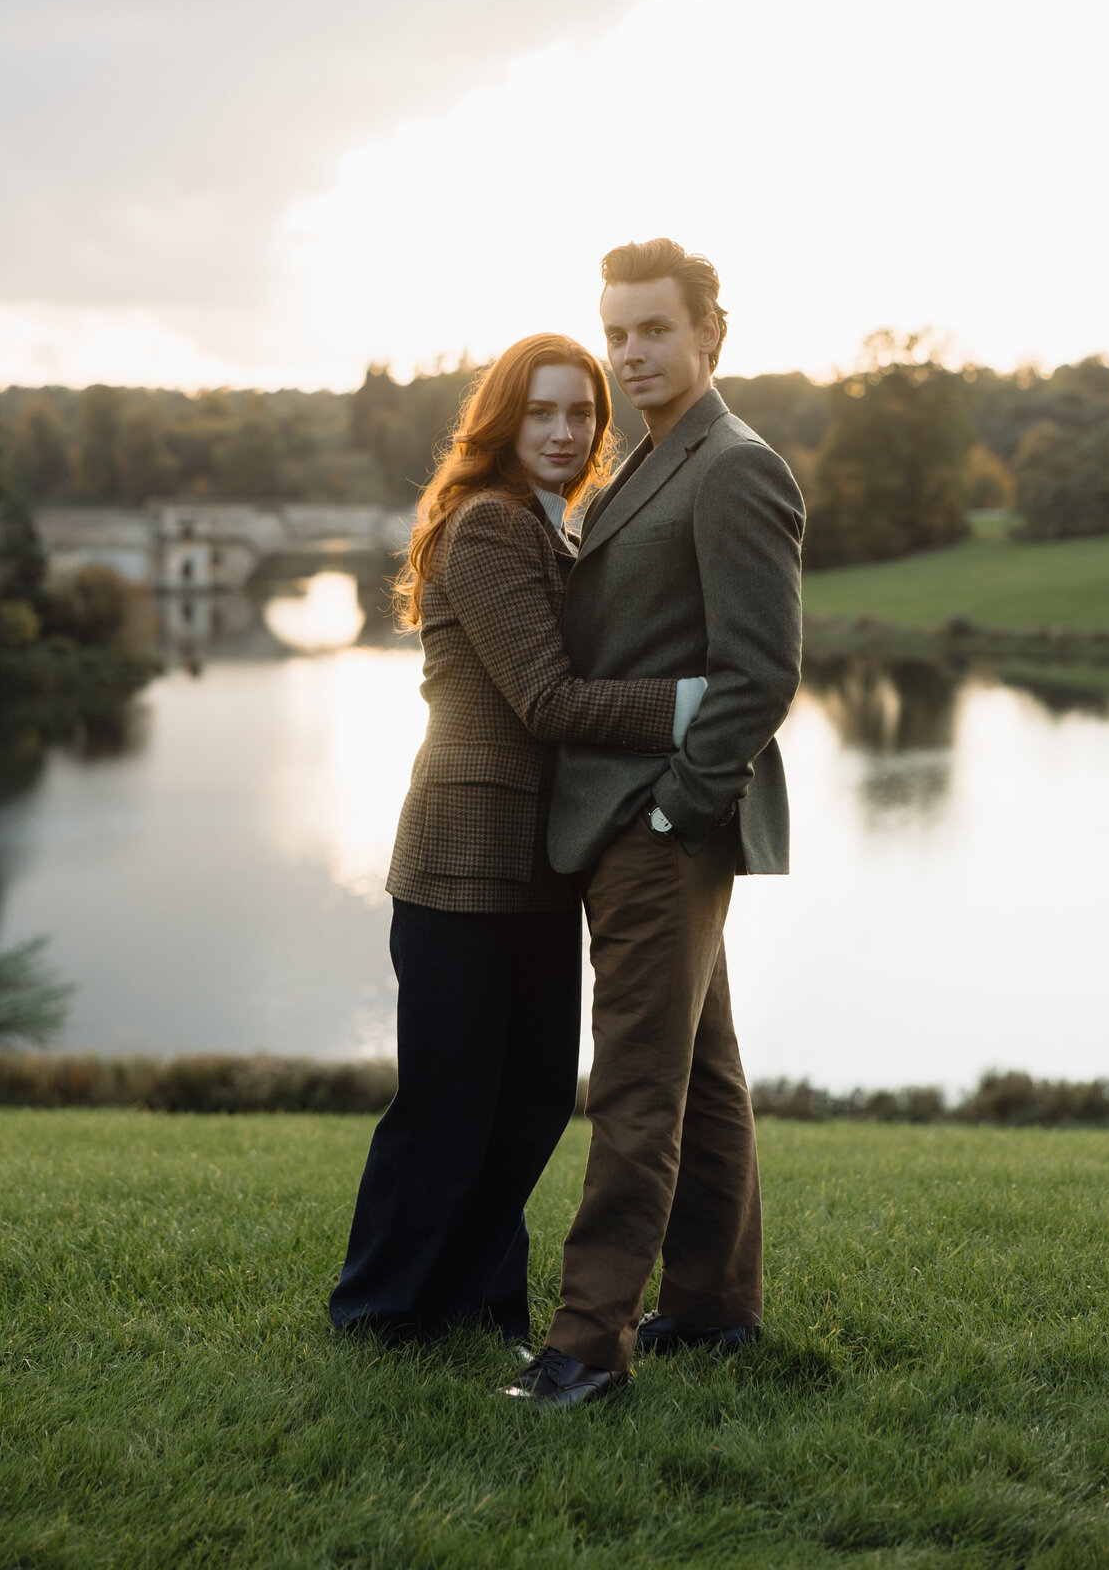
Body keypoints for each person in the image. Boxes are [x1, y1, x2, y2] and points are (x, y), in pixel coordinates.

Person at [329, 332, 705, 1344]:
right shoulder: (490, 525)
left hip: (540, 863)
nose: (564, 430)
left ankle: (481, 1304)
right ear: (504, 420)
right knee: (449, 1107)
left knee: (530, 1100)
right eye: (541, 411)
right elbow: (547, 700)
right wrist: (696, 706)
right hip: (461, 860)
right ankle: (380, 1310)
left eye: (579, 413)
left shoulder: (556, 524)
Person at [507, 241, 805, 1408]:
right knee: (704, 1069)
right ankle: (716, 1309)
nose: (628, 352)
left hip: (660, 825)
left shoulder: (734, 468)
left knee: (634, 1084)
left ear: (709, 338)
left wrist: (680, 808)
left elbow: (760, 673)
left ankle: (588, 1345)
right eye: (615, 330)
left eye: (652, 331)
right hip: (647, 821)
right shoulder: (643, 463)